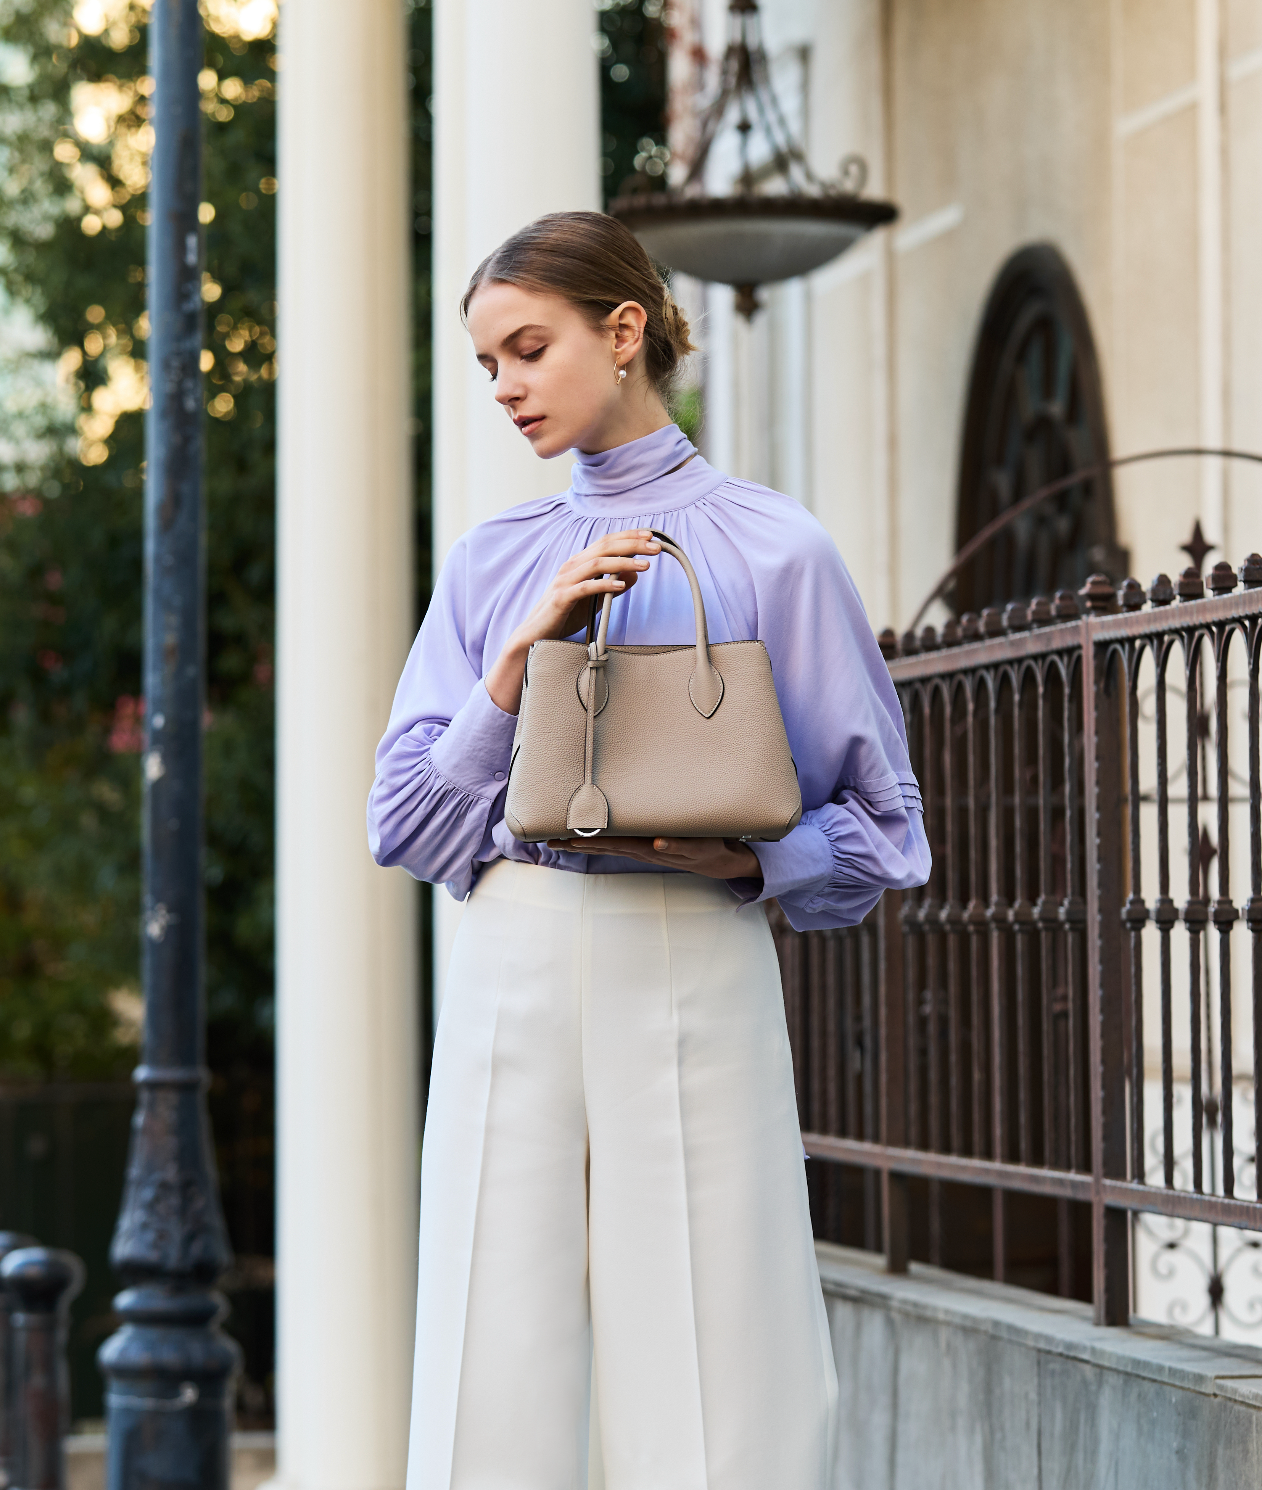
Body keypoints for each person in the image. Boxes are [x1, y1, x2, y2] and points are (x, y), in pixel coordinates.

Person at [369, 210, 928, 1489]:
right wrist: (516, 664)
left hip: (692, 948)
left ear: (624, 332)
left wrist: (743, 866)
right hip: (513, 948)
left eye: (527, 348)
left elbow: (886, 826)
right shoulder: (492, 559)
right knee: (487, 1344)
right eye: (486, 364)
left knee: (722, 1354)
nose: (505, 385)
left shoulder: (777, 546)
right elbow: (405, 820)